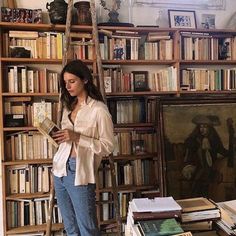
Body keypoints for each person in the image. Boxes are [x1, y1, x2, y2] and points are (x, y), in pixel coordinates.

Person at [52, 60, 115, 236]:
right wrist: (59, 137)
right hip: (59, 169)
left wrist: (78, 137)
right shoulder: (68, 107)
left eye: (72, 81)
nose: (68, 86)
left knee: (87, 227)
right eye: (65, 82)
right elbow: (67, 138)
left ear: (85, 80)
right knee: (70, 227)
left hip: (79, 170)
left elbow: (108, 146)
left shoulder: (99, 110)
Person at [182, 114, 228, 198]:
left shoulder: (214, 139)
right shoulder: (194, 139)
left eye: (205, 127)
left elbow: (222, 151)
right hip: (196, 166)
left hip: (210, 167)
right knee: (201, 177)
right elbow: (189, 155)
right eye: (200, 127)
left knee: (209, 176)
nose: (202, 129)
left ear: (209, 128)